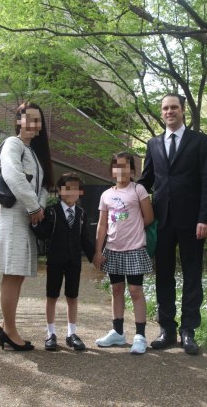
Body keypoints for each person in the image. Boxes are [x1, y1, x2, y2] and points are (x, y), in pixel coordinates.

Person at [138, 93, 207, 355]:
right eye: (165, 108)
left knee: (192, 275)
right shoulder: (153, 144)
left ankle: (188, 331)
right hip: (162, 221)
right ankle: (167, 329)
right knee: (164, 276)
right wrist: (122, 193)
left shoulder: (200, 142)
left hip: (193, 221)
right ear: (161, 113)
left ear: (183, 111)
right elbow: (146, 181)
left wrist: (205, 217)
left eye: (174, 107)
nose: (169, 111)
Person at [0, 101, 53, 351]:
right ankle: (9, 330)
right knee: (12, 276)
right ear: (19, 120)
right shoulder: (12, 144)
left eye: (38, 120)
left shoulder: (34, 152)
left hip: (27, 217)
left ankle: (7, 327)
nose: (34, 124)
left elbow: (44, 187)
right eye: (29, 118)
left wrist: (40, 206)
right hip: (14, 216)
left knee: (17, 276)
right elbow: (12, 175)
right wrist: (34, 207)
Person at [94, 152, 154, 354]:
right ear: (112, 170)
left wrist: (133, 231)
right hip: (112, 250)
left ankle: (140, 336)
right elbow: (102, 224)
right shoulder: (106, 195)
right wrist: (98, 251)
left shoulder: (139, 190)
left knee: (136, 291)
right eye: (117, 166)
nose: (122, 170)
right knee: (116, 290)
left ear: (132, 170)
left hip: (134, 249)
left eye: (126, 166)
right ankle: (118, 333)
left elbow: (148, 217)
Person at [33, 172, 95, 351]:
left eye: (76, 189)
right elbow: (43, 233)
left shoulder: (81, 213)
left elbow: (85, 239)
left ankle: (71, 333)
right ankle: (50, 333)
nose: (71, 192)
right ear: (60, 191)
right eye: (68, 189)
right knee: (52, 296)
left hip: (74, 261)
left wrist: (95, 257)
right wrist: (35, 222)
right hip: (55, 259)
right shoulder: (52, 211)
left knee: (72, 296)